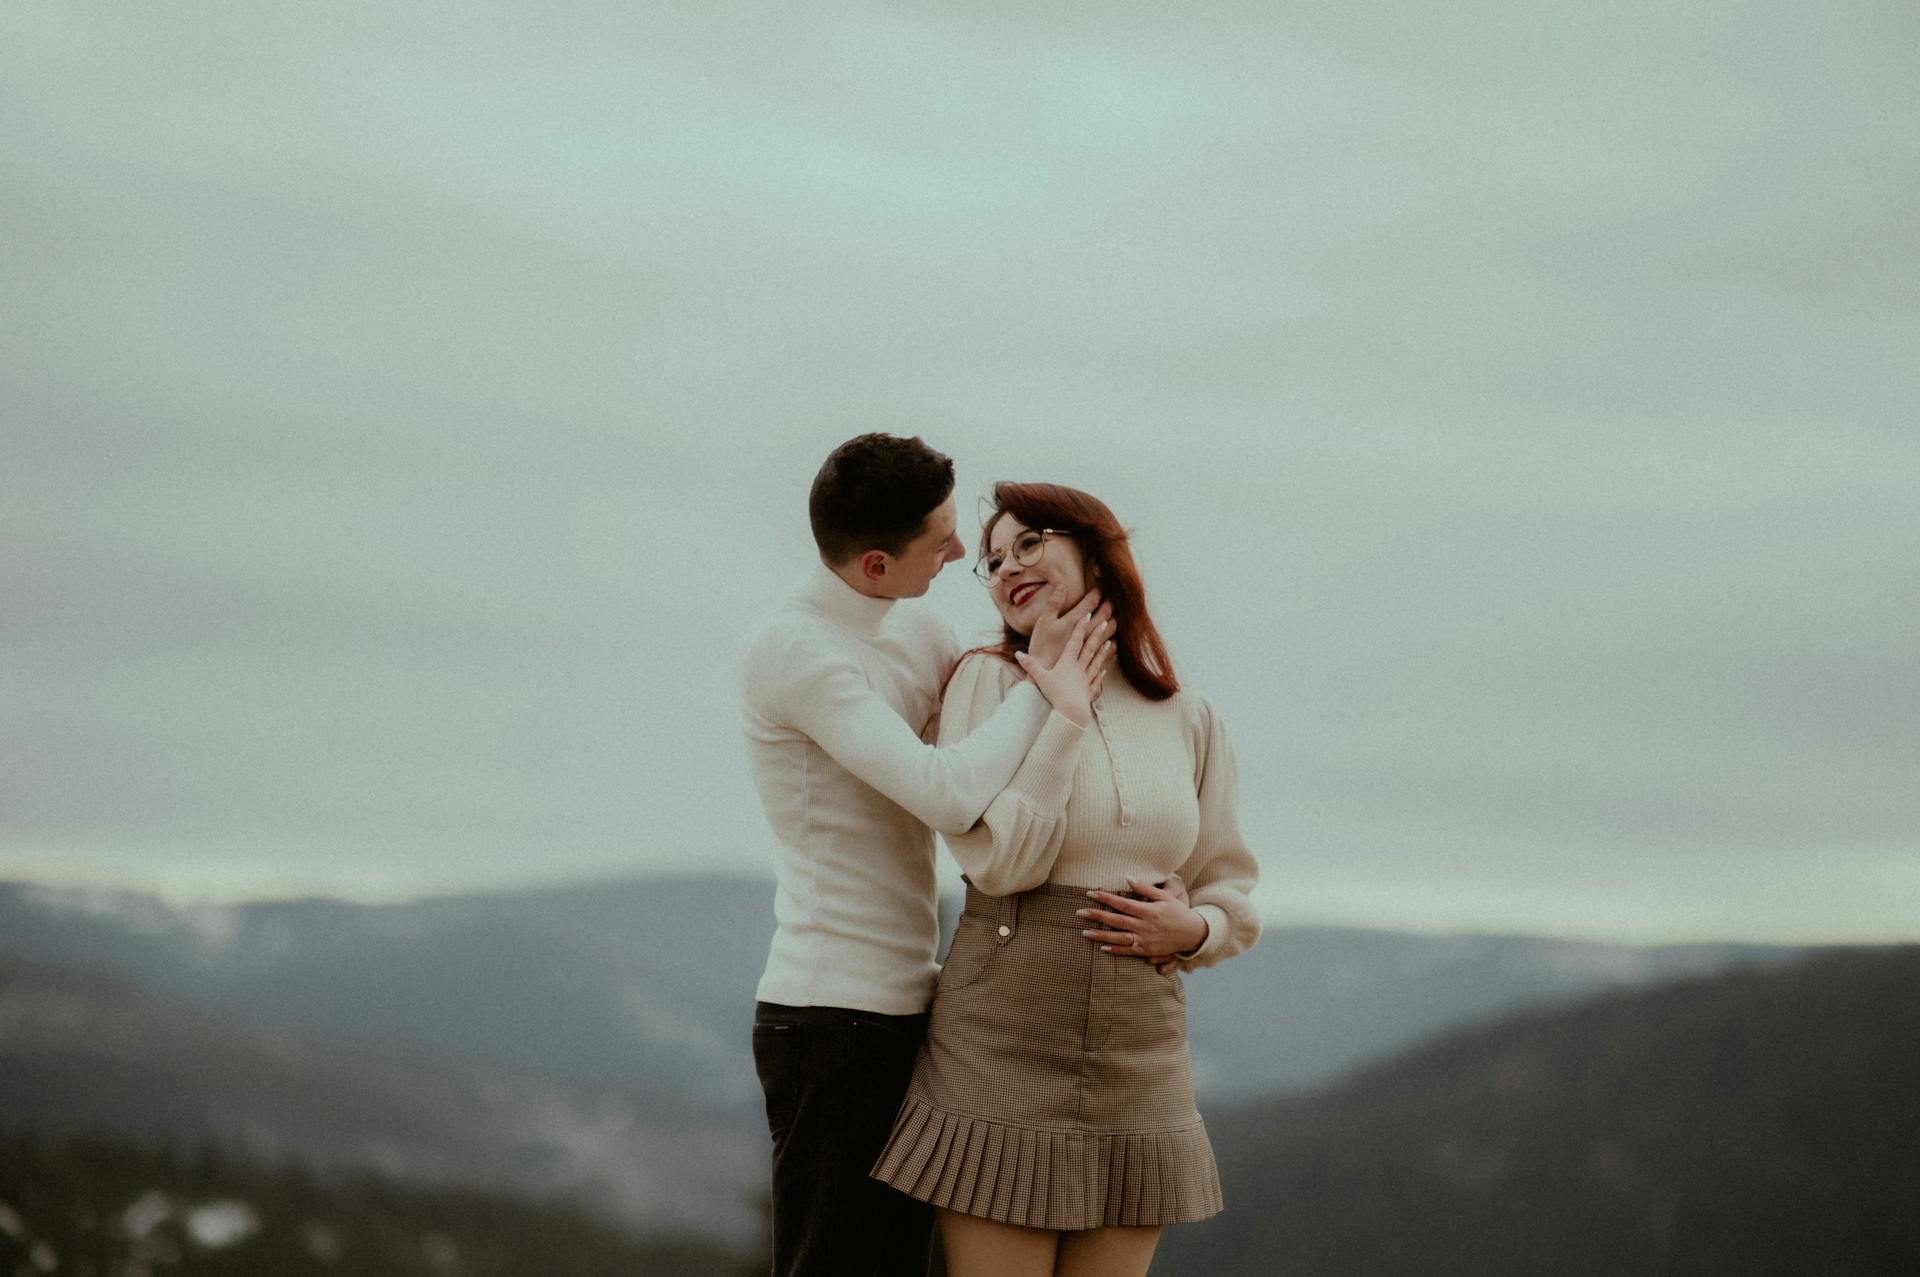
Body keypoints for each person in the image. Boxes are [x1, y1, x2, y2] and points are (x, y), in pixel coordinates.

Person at [737, 435, 1116, 1277]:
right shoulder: (796, 653)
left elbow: (996, 706)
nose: (960, 553)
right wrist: (1051, 688)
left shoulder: (917, 625)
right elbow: (950, 790)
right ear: (876, 563)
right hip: (830, 1016)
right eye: (941, 541)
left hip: (914, 1003)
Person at [871, 480, 1262, 1277]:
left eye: (1029, 541)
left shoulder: (1189, 714)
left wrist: (1195, 930)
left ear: (1095, 549)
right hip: (1001, 1041)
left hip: (1140, 1055)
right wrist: (1065, 716)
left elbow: (1227, 885)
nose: (1007, 565)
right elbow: (1002, 862)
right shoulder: (986, 681)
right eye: (990, 560)